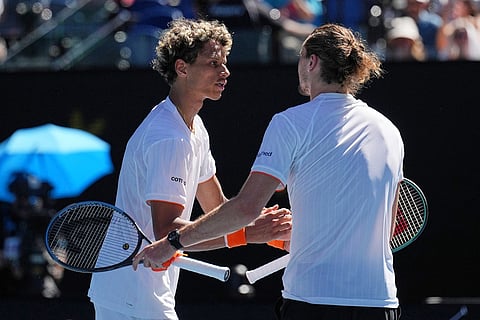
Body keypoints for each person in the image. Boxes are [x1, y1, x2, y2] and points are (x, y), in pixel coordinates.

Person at [134, 23, 404, 320]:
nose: (225, 72)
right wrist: (279, 235)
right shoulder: (389, 131)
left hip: (312, 303)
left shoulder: (290, 123)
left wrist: (171, 244)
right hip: (381, 304)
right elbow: (385, 230)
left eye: (301, 58)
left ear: (311, 62)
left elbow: (246, 208)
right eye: (214, 63)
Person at [87, 18, 292, 320]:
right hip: (131, 294)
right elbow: (167, 232)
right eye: (213, 63)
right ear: (182, 68)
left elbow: (217, 209)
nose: (225, 71)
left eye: (224, 62)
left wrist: (269, 229)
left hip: (140, 294)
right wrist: (248, 233)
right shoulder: (168, 138)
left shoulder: (195, 128)